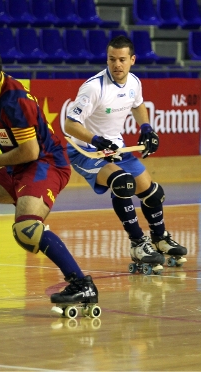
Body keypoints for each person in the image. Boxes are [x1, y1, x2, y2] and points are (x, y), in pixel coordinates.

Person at [0, 41, 99, 311]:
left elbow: (31, 151)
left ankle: (82, 284)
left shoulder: (14, 99)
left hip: (45, 164)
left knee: (27, 230)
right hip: (18, 166)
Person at [63, 35, 187, 272]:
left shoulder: (134, 83)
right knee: (123, 183)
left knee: (152, 192)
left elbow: (138, 105)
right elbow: (70, 125)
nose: (117, 65)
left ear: (132, 60)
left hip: (116, 148)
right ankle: (138, 243)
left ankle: (159, 239)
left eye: (121, 60)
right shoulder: (94, 87)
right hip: (87, 151)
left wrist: (146, 128)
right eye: (112, 59)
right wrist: (96, 140)